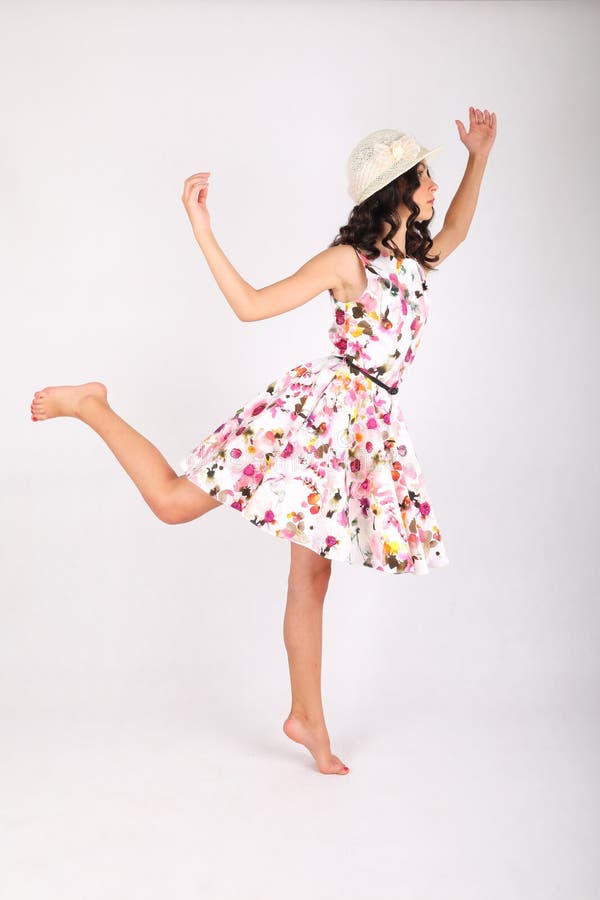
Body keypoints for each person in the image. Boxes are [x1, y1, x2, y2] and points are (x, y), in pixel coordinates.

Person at [29, 107, 497, 776]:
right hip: (317, 418)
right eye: (424, 175)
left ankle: (306, 717)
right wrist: (202, 230)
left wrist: (481, 154)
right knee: (174, 505)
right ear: (394, 189)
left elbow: (458, 226)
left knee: (313, 571)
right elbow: (250, 305)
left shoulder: (414, 258)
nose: (432, 186)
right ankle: (92, 405)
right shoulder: (348, 261)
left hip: (364, 428)